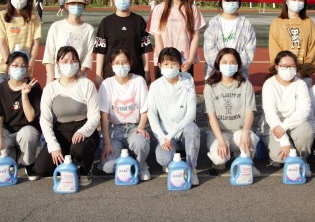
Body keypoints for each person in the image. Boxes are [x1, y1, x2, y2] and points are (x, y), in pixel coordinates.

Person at [35, 46, 100, 186]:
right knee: (41, 168)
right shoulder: (50, 88)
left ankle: (86, 170)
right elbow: (45, 120)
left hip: (83, 128)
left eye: (73, 60)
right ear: (57, 63)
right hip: (61, 130)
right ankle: (69, 163)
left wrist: (83, 131)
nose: (69, 64)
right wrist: (53, 146)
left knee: (80, 149)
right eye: (64, 61)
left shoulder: (87, 85)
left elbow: (95, 115)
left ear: (79, 63)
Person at [0, 0, 41, 145]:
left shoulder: (34, 18)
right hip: (2, 69)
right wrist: (9, 63)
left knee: (25, 106)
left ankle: (22, 143)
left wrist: (30, 63)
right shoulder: (2, 16)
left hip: (24, 70)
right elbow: (2, 41)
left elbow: (36, 43)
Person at [0, 51, 42, 181]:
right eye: (15, 65)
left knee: (29, 134)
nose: (19, 69)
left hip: (26, 130)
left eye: (23, 66)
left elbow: (30, 117)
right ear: (8, 68)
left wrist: (24, 95)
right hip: (7, 131)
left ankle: (29, 163)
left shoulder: (34, 87)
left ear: (27, 68)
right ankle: (12, 155)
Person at [147, 47, 200, 186]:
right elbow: (151, 114)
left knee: (193, 129)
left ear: (180, 64)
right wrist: (162, 138)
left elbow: (191, 115)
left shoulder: (188, 82)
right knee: (163, 159)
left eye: (174, 63)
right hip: (166, 135)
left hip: (182, 133)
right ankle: (172, 160)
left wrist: (170, 136)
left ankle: (191, 168)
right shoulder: (155, 86)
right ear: (159, 65)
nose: (170, 67)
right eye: (166, 64)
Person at [204, 48, 260, 177]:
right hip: (220, 133)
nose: (228, 65)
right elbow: (211, 116)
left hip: (239, 131)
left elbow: (250, 112)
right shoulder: (210, 85)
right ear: (218, 64)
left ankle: (246, 162)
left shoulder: (245, 84)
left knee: (250, 137)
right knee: (219, 159)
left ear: (238, 65)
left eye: (232, 62)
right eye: (224, 62)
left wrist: (245, 132)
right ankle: (224, 157)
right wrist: (220, 141)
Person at [98, 49, 151, 181]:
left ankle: (141, 164)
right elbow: (104, 116)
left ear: (130, 63)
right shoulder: (106, 84)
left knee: (140, 143)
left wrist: (141, 127)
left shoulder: (139, 81)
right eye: (117, 63)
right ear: (111, 65)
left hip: (134, 128)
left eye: (124, 62)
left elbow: (145, 110)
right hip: (114, 130)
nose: (121, 66)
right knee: (108, 167)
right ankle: (127, 159)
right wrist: (107, 143)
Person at [262, 51, 313, 176]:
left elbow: (304, 110)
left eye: (291, 66)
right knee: (279, 157)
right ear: (276, 66)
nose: (288, 69)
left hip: (295, 122)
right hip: (274, 125)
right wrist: (284, 141)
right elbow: (271, 115)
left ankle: (303, 160)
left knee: (306, 132)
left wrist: (284, 127)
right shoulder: (269, 84)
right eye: (284, 66)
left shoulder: (300, 84)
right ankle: (284, 149)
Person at [148, 0, 205, 78]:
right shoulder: (159, 9)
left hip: (184, 63)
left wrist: (190, 60)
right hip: (164, 63)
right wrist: (162, 60)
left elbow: (195, 36)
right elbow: (158, 36)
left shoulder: (192, 9)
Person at [94, 0, 153, 85]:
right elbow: (101, 51)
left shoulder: (139, 21)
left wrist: (147, 72)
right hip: (112, 74)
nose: (122, 0)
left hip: (135, 73)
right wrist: (98, 74)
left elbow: (145, 49)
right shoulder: (106, 22)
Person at [203, 0, 256, 80]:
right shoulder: (213, 23)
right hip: (215, 75)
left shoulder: (246, 24)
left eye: (234, 0)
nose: (230, 3)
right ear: (221, 1)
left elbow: (249, 51)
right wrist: (223, 67)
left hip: (239, 75)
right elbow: (209, 51)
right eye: (227, 0)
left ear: (239, 2)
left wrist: (234, 67)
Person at [269, 0, 315, 88]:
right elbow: (274, 51)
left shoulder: (309, 23)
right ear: (287, 1)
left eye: (301, 0)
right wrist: (285, 71)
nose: (297, 2)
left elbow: (312, 52)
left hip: (303, 77)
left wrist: (301, 73)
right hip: (282, 76)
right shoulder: (277, 23)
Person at [43, 0, 95, 82]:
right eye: (73, 3)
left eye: (80, 3)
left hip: (79, 79)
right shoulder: (56, 26)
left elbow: (88, 56)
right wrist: (51, 79)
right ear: (66, 5)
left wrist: (78, 75)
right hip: (57, 78)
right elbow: (49, 54)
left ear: (84, 6)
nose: (76, 6)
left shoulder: (89, 29)